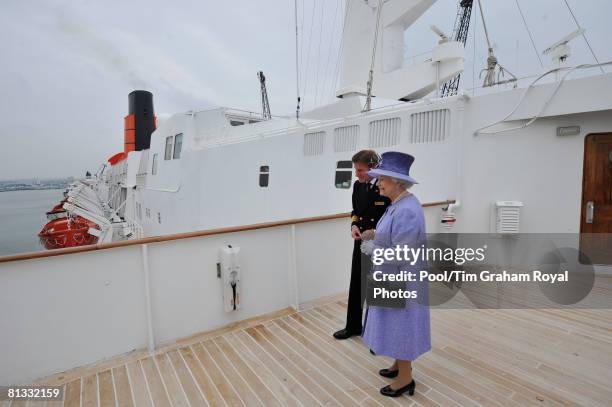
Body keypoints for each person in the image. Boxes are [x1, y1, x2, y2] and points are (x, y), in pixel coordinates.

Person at [360, 151, 431, 397]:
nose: (378, 183)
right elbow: (393, 238)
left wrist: (371, 249)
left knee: (401, 327)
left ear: (398, 182)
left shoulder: (407, 210)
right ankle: (398, 365)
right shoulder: (399, 205)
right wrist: (374, 235)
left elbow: (402, 254)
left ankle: (405, 379)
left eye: (383, 179)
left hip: (401, 279)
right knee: (394, 326)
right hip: (391, 277)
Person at [333, 150, 391, 340]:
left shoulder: (384, 188)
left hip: (381, 244)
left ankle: (380, 333)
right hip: (361, 242)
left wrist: (375, 233)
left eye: (360, 170)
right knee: (357, 283)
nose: (356, 174)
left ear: (373, 168)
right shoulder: (358, 186)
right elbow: (355, 211)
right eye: (356, 170)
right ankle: (353, 326)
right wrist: (354, 225)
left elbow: (390, 217)